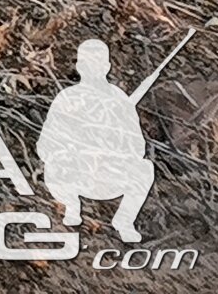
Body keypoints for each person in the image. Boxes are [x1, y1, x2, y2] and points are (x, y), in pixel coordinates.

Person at [38, 38, 156, 241]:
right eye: (87, 64)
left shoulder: (120, 100)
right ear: (79, 66)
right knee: (53, 166)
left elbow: (138, 147)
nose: (92, 69)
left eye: (97, 64)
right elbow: (45, 146)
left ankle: (124, 221)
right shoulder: (67, 98)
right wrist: (72, 149)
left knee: (145, 169)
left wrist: (114, 147)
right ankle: (71, 206)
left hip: (109, 174)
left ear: (107, 67)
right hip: (76, 174)